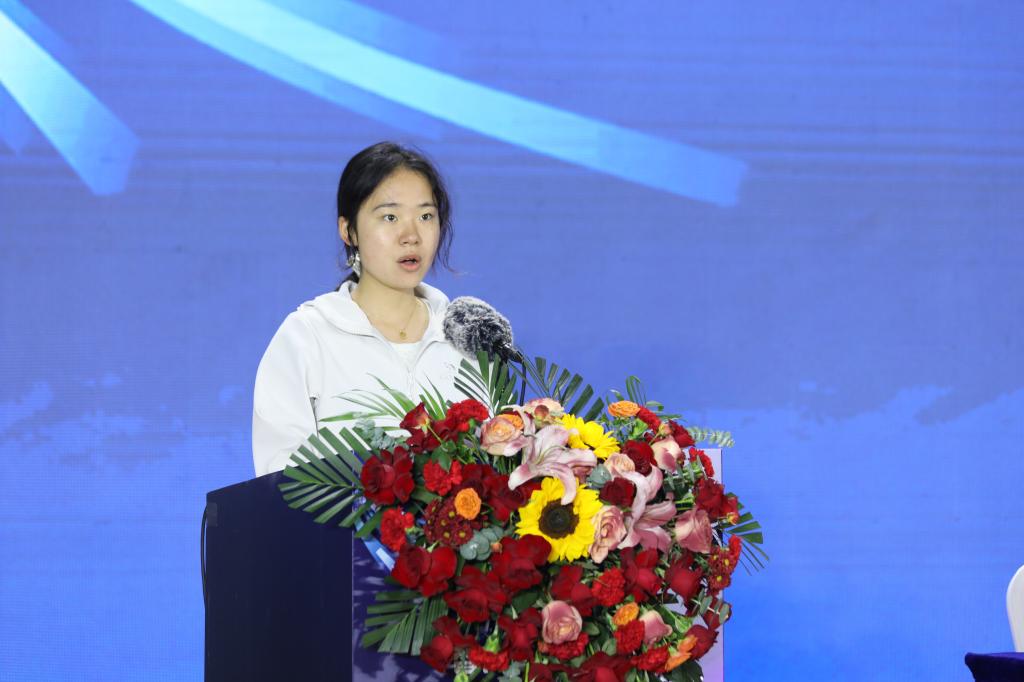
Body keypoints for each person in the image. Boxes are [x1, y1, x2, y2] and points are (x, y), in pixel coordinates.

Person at [252, 142, 473, 476]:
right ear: (348, 230)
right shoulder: (307, 337)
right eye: (390, 217)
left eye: (425, 216)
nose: (411, 236)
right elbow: (280, 478)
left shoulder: (465, 336)